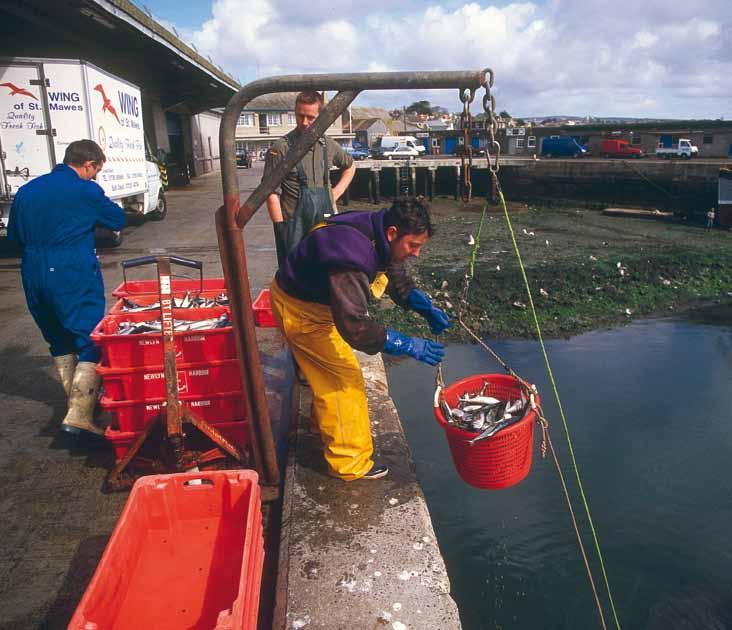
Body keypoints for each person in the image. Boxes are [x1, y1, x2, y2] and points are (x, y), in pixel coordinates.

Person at [270, 196, 451, 481]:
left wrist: (420, 304)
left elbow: (391, 266)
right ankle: (349, 462)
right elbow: (354, 326)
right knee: (344, 379)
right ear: (393, 233)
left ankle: (325, 427)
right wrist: (405, 344)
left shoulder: (376, 228)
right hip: (301, 312)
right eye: (413, 246)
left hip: (317, 304)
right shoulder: (351, 259)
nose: (416, 254)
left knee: (328, 371)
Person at [8, 139, 125, 437]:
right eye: (95, 171)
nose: (94, 177)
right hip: (70, 267)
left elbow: (15, 237)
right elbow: (116, 219)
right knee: (89, 337)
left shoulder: (27, 191)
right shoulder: (85, 190)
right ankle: (80, 414)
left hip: (33, 267)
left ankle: (79, 407)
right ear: (88, 164)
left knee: (58, 338)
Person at [263, 91, 356, 265]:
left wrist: (336, 192)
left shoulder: (328, 145)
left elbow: (350, 166)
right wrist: (281, 228)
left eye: (310, 117)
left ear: (320, 117)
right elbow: (270, 193)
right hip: (293, 223)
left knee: (328, 266)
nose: (304, 122)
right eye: (300, 116)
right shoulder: (281, 148)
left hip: (325, 217)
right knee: (295, 274)